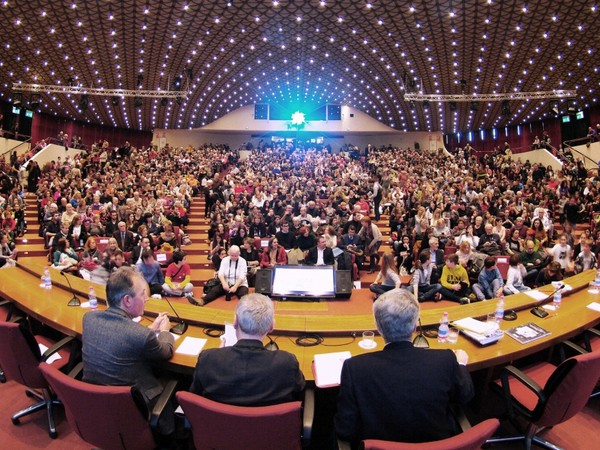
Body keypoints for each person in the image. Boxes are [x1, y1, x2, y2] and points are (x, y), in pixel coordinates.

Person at [335, 288, 474, 447]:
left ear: (378, 327)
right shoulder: (445, 359)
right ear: (415, 326)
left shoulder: (354, 368)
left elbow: (345, 429)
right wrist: (461, 364)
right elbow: (465, 396)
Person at [82, 267, 175, 435]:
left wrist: (149, 328)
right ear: (127, 300)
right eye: (142, 294)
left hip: (96, 403)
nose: (146, 299)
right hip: (133, 408)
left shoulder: (89, 318)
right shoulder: (141, 335)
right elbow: (165, 352)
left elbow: (120, 332)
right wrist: (165, 331)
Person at [189, 293, 305, 405]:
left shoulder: (208, 359)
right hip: (268, 425)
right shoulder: (286, 363)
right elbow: (300, 392)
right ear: (271, 326)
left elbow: (194, 398)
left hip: (218, 425)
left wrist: (217, 356)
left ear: (235, 322)